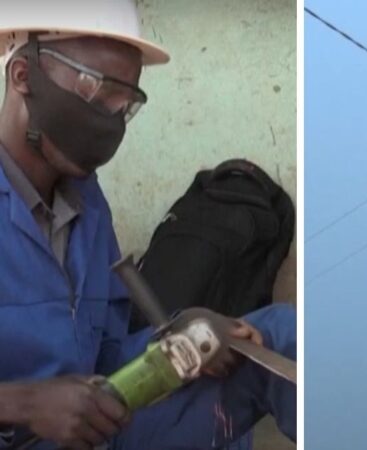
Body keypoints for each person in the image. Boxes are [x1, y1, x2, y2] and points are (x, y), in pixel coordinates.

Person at [0, 2, 296, 449]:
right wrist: (22, 404)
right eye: (95, 90)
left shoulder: (86, 202)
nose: (110, 121)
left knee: (282, 337)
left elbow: (109, 354)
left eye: (125, 104)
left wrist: (185, 331)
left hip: (101, 427)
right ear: (23, 75)